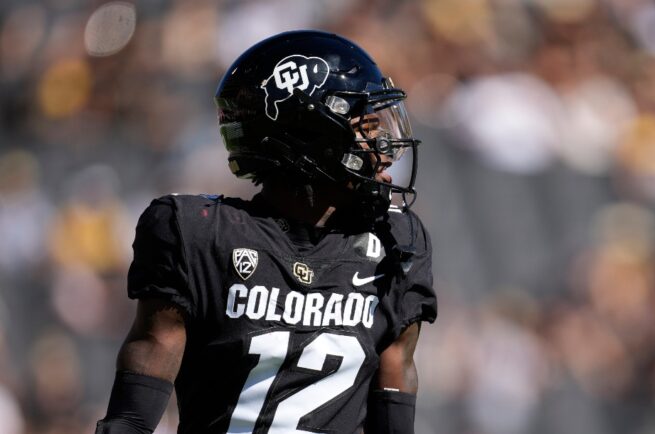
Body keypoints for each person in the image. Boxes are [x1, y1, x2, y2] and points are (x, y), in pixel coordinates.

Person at [95, 30, 437, 434]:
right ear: (311, 136)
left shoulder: (395, 242)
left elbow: (395, 401)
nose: (383, 150)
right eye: (365, 129)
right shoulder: (202, 234)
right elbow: (132, 417)